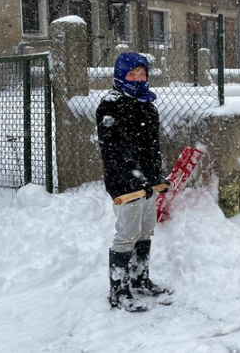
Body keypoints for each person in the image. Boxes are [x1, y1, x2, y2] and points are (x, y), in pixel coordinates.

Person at [96, 51, 170, 312]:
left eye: (142, 73)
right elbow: (113, 149)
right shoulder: (110, 105)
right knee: (126, 235)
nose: (138, 78)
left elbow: (152, 146)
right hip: (124, 183)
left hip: (146, 183)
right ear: (120, 75)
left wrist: (155, 174)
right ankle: (118, 291)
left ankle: (140, 279)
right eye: (132, 73)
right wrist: (133, 176)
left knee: (146, 229)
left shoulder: (147, 104)